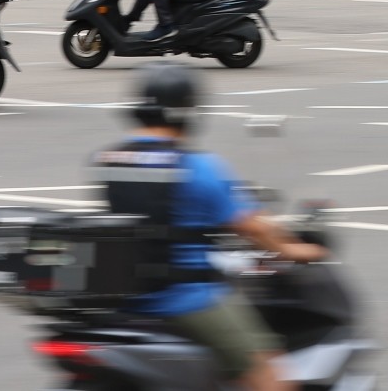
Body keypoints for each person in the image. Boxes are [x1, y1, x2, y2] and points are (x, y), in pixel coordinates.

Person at [92, 62, 325, 391]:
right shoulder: (198, 167)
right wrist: (300, 250)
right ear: (186, 111)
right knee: (269, 374)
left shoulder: (107, 160)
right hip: (185, 298)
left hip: (127, 296)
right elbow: (253, 228)